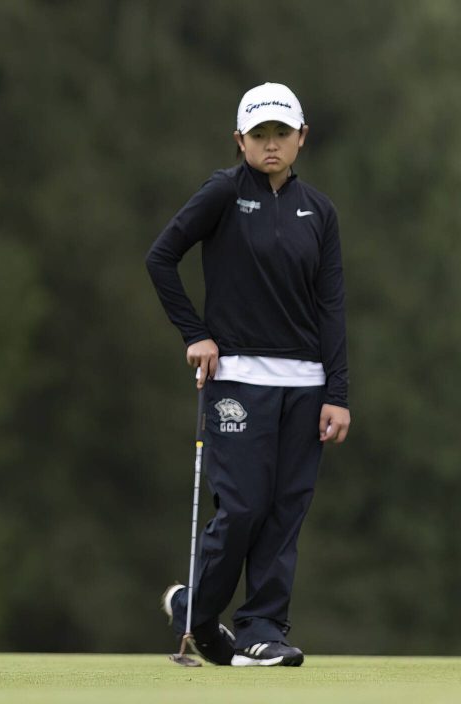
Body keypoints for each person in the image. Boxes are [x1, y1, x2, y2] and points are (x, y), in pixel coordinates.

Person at [145, 83, 350, 667]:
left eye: (281, 134)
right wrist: (194, 333)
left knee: (286, 509)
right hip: (237, 377)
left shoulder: (321, 213)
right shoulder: (224, 193)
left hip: (306, 385)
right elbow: (161, 257)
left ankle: (261, 629)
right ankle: (198, 612)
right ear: (240, 140)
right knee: (242, 507)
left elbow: (332, 307)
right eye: (258, 135)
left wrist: (337, 393)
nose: (271, 145)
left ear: (301, 138)